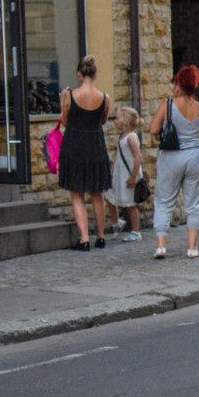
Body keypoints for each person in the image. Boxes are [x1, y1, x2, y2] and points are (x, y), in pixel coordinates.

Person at [149, 65, 199, 259]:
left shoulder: (167, 105)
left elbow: (153, 129)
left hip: (171, 156)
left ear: (178, 84)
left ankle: (161, 246)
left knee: (164, 201)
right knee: (194, 203)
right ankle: (192, 248)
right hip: (194, 156)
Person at [58, 55, 112, 251]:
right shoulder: (104, 97)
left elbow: (64, 121)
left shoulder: (69, 95)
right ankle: (100, 235)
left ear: (79, 75)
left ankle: (84, 238)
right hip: (95, 144)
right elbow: (103, 120)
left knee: (76, 192)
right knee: (97, 192)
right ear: (95, 75)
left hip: (74, 144)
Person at [104, 106, 144, 242]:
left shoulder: (131, 138)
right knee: (109, 195)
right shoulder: (122, 136)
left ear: (126, 121)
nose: (114, 121)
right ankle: (117, 222)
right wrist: (112, 171)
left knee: (131, 204)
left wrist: (133, 176)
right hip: (120, 174)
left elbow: (138, 157)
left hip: (128, 175)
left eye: (117, 118)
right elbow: (118, 156)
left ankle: (136, 231)